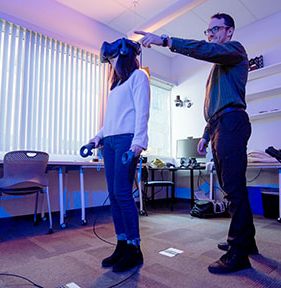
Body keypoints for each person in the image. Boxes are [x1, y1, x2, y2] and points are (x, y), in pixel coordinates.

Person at [135, 13, 257, 274]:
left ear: (229, 31)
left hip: (232, 123)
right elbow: (215, 105)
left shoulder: (235, 50)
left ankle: (239, 254)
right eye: (208, 30)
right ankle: (248, 241)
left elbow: (207, 52)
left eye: (215, 29)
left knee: (233, 187)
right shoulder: (217, 70)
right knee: (230, 186)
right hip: (219, 125)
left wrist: (167, 40)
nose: (210, 33)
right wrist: (205, 134)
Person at [88, 38, 150, 272]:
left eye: (113, 59)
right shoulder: (115, 87)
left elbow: (142, 113)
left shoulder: (138, 77)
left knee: (123, 194)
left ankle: (135, 248)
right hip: (110, 142)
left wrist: (138, 144)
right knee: (113, 195)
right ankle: (122, 243)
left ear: (124, 55)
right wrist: (97, 137)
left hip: (127, 141)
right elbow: (111, 121)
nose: (111, 63)